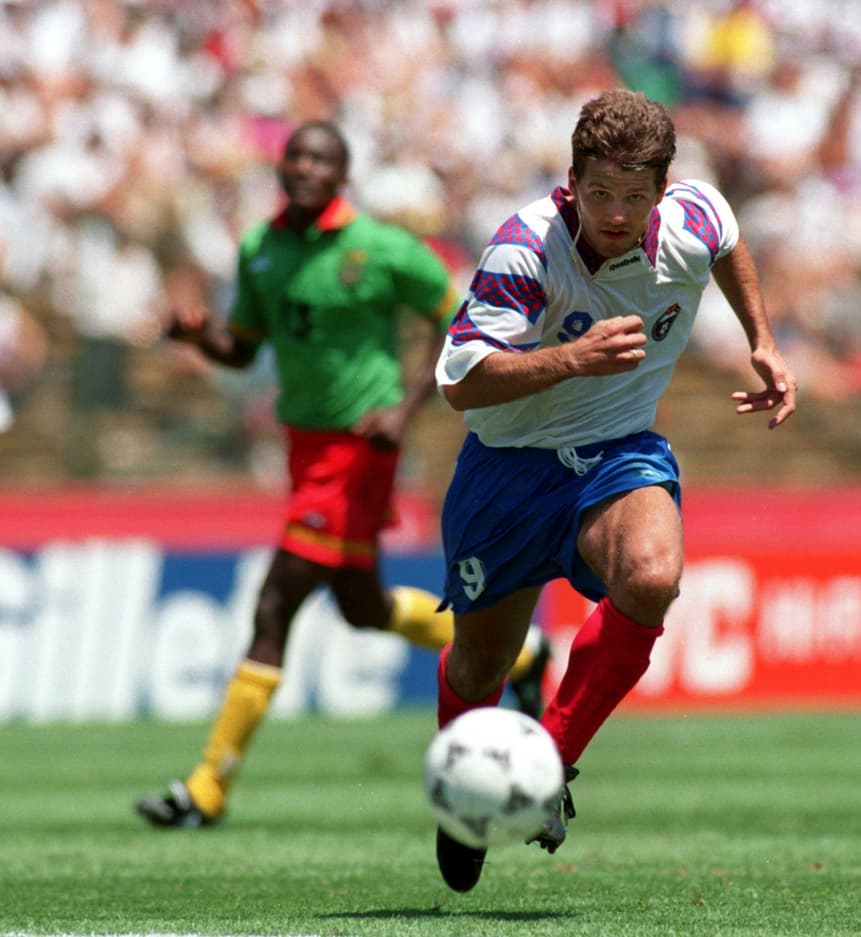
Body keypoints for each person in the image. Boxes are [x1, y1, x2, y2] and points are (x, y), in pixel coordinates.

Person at [430, 89, 797, 891]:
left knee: (653, 575)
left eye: (635, 196)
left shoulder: (692, 220)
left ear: (663, 190)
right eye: (599, 193)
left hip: (617, 452)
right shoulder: (525, 247)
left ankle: (548, 762)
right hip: (508, 468)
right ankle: (463, 799)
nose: (617, 213)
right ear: (572, 181)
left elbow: (727, 237)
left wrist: (762, 341)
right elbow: (460, 383)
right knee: (479, 664)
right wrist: (573, 358)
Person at [135, 120, 551, 829]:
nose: (304, 167)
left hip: (359, 451)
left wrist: (405, 409)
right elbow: (244, 350)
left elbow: (459, 321)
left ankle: (206, 788)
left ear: (341, 175)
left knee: (276, 603)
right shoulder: (261, 250)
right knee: (363, 607)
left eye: (319, 159)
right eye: (295, 157)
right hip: (304, 450)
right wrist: (201, 338)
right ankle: (522, 655)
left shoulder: (380, 248)